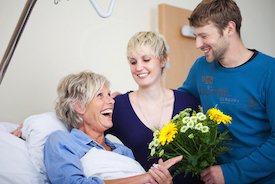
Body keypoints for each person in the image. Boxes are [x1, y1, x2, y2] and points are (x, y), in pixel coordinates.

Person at [178, 0, 275, 183]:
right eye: (196, 36)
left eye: (204, 36)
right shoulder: (200, 68)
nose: (198, 44)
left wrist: (230, 173)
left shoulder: (270, 72)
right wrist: (128, 99)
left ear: (229, 29)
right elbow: (179, 102)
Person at [44, 70, 183, 184]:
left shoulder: (123, 151)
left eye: (109, 95)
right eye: (100, 95)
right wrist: (145, 177)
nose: (111, 100)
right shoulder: (62, 141)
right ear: (79, 106)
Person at [106, 31, 203, 183]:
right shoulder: (119, 106)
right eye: (133, 62)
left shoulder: (188, 103)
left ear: (163, 60)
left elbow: (201, 155)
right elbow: (89, 138)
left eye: (146, 59)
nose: (139, 67)